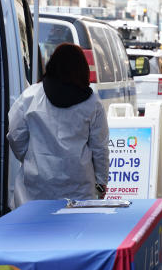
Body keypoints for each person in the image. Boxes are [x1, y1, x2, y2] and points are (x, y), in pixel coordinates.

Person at [7, 43, 109, 206]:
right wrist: (101, 183)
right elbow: (100, 148)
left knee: (35, 229)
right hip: (79, 188)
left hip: (37, 187)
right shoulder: (92, 103)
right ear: (82, 69)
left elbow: (14, 134)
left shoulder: (30, 96)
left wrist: (31, 157)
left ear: (52, 65)